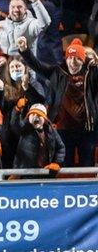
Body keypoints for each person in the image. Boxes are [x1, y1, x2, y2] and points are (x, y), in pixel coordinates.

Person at [18, 37, 98, 167]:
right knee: (65, 165)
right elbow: (37, 66)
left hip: (87, 129)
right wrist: (24, 50)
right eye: (70, 58)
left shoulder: (92, 74)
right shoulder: (57, 72)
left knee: (87, 165)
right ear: (66, 59)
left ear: (83, 61)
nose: (73, 62)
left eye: (77, 58)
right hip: (63, 129)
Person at [10, 103, 65, 176]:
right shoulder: (26, 129)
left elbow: (61, 148)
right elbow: (15, 126)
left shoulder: (51, 131)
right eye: (33, 115)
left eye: (39, 115)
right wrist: (17, 110)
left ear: (45, 118)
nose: (36, 118)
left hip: (46, 172)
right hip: (26, 174)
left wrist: (57, 162)